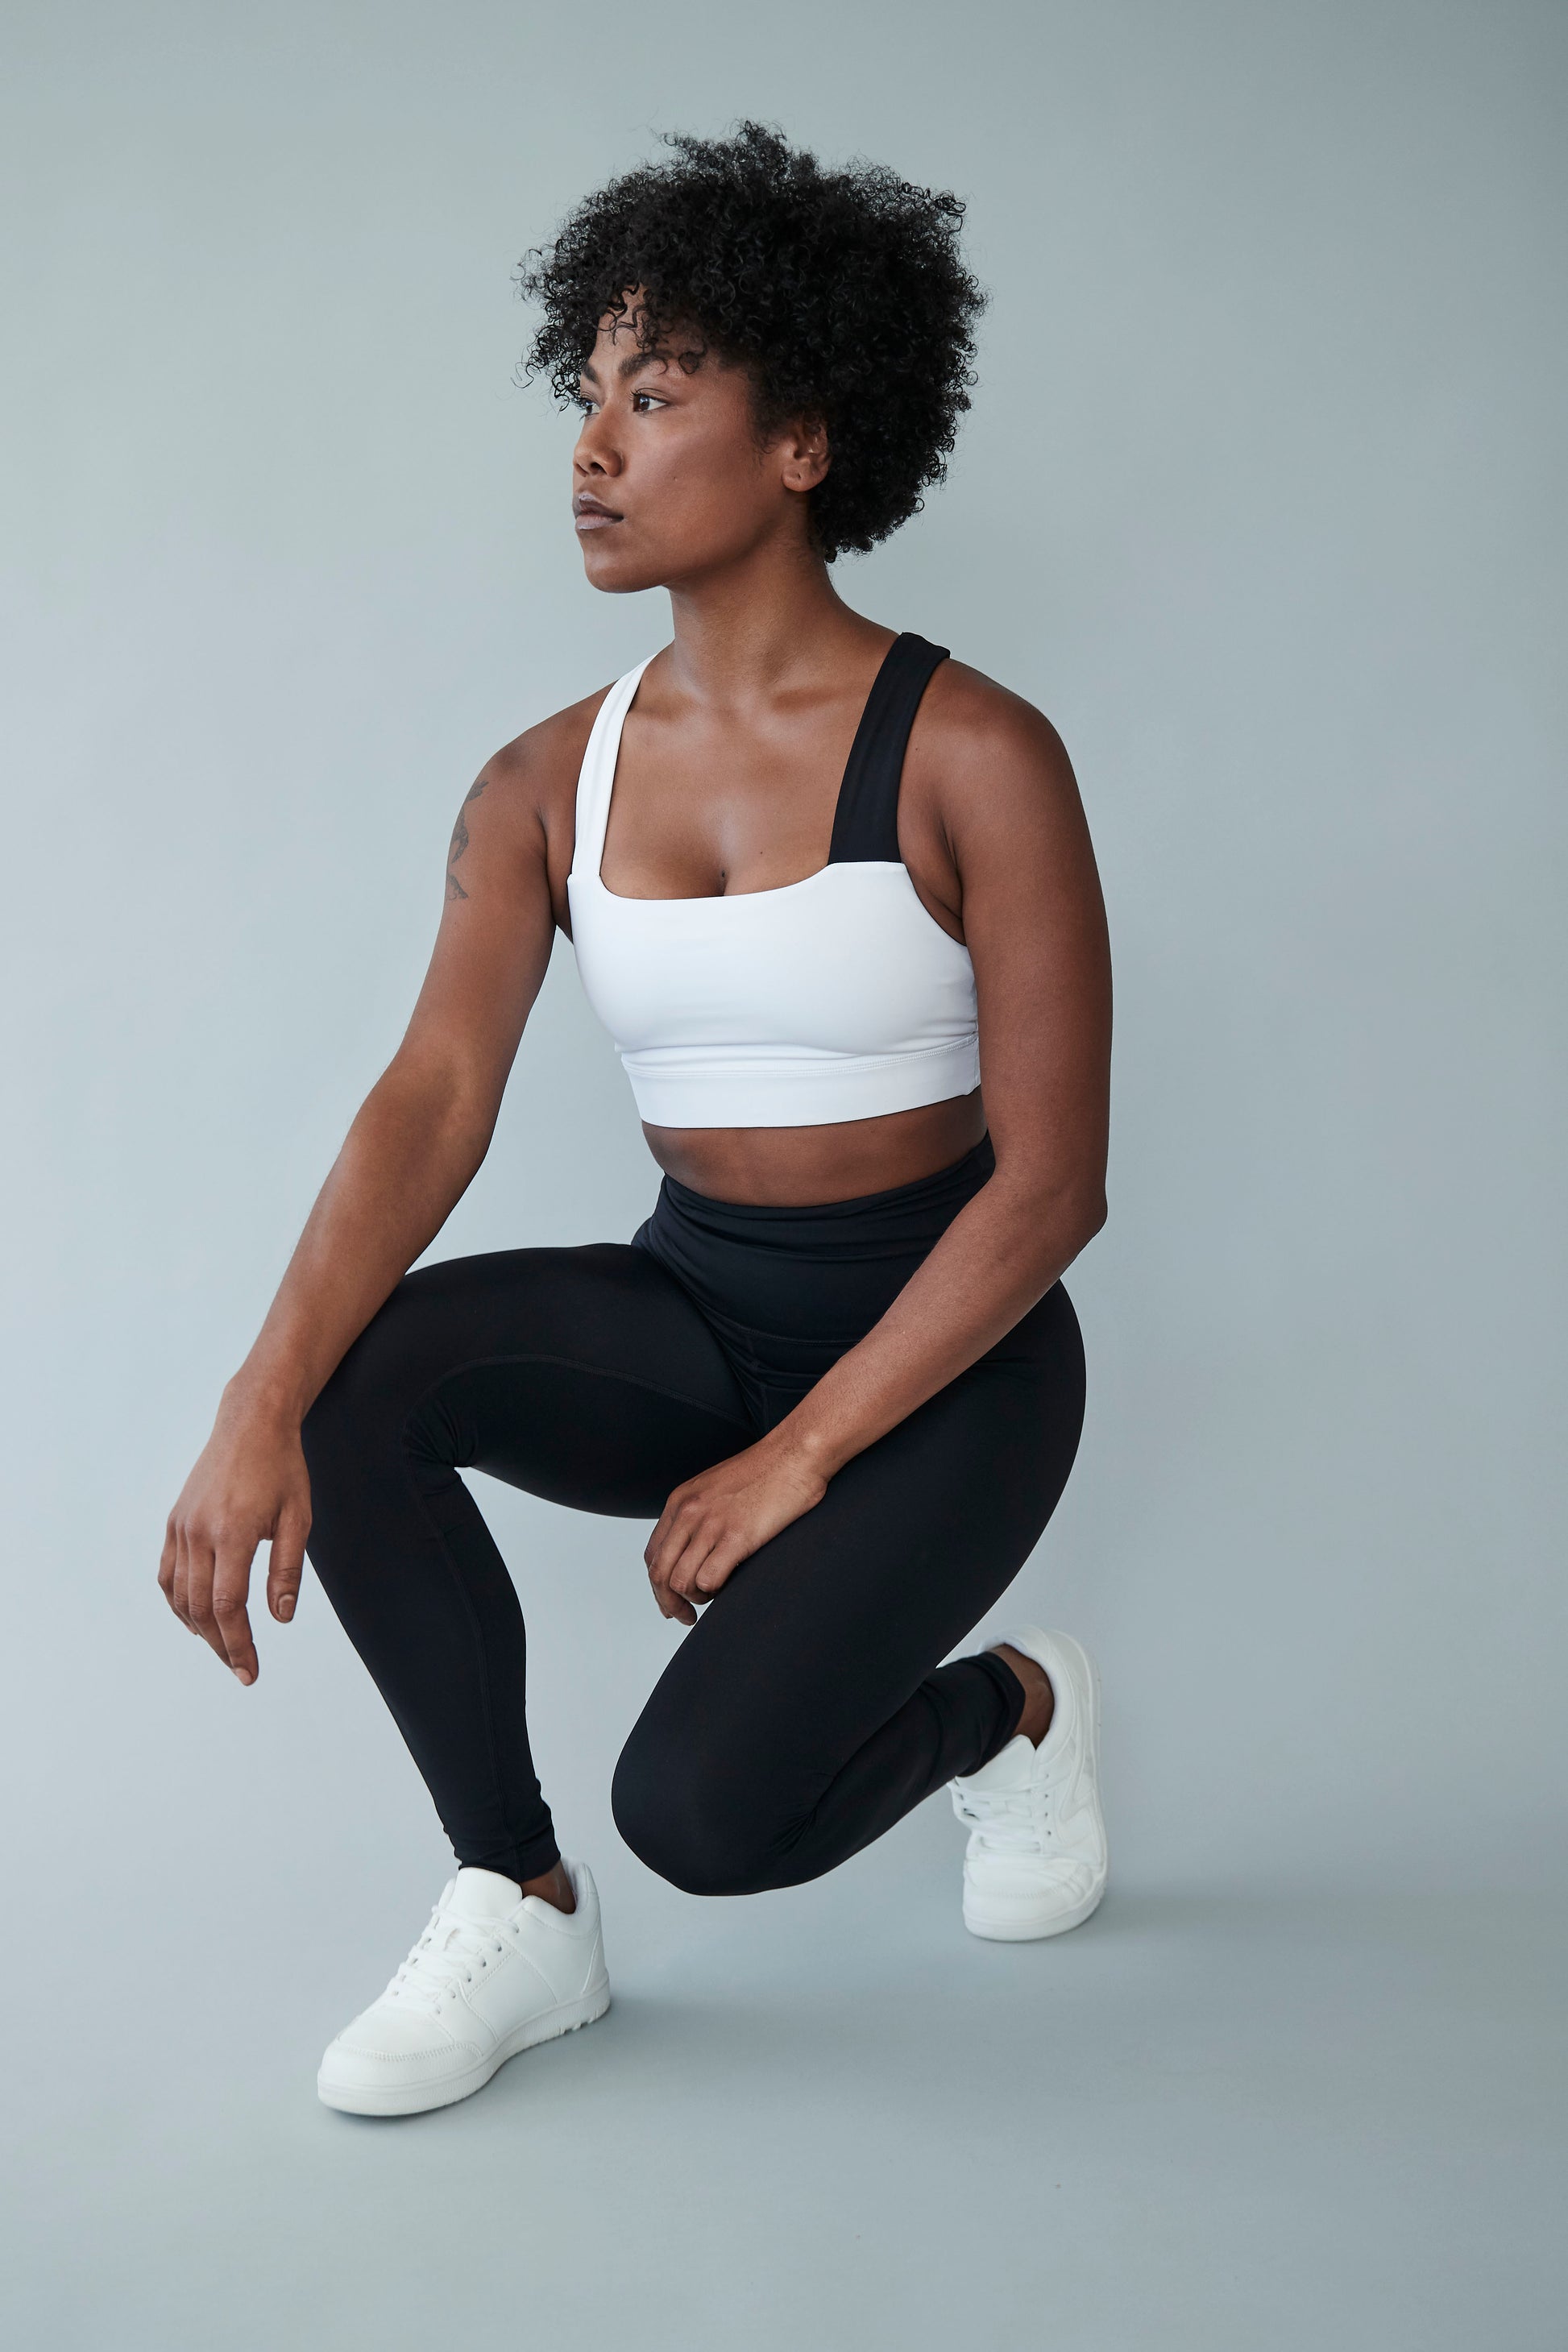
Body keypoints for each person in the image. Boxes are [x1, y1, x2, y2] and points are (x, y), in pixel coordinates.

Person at [158, 123, 1114, 2120]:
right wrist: (257, 1396)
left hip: (950, 1358)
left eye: (655, 397)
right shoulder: (539, 781)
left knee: (713, 1812)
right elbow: (433, 1094)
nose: (591, 445)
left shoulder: (975, 753)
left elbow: (1049, 1189)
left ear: (802, 444)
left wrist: (798, 1459)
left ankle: (1009, 1712)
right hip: (702, 1308)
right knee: (354, 1378)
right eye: (585, 396)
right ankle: (513, 1894)